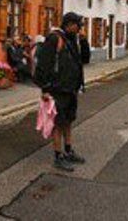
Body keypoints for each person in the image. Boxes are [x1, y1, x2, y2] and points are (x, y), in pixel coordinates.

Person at [34, 12, 87, 172]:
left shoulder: (73, 40)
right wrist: (45, 89)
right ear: (69, 24)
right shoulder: (54, 39)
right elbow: (43, 65)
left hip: (71, 90)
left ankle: (69, 150)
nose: (79, 30)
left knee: (68, 121)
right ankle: (58, 156)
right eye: (78, 26)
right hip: (57, 90)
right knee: (57, 124)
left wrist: (83, 40)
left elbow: (84, 59)